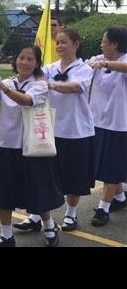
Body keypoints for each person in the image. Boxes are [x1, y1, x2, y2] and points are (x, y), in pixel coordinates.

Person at [0, 44, 64, 247]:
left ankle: (49, 225)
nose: (24, 62)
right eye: (21, 58)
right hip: (8, 146)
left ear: (37, 64)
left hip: (33, 148)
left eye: (29, 59)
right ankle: (6, 235)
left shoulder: (40, 84)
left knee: (38, 191)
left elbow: (26, 100)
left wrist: (4, 88)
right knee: (4, 193)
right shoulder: (7, 81)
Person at [41, 28, 95, 231]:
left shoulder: (84, 69)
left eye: (63, 42)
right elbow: (37, 81)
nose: (59, 46)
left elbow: (75, 87)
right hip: (51, 129)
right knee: (46, 174)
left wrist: (50, 85)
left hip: (76, 131)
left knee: (75, 176)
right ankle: (39, 215)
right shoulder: (50, 68)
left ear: (75, 44)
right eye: (57, 42)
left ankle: (71, 214)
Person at [87, 26, 127, 226]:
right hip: (96, 122)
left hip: (118, 125)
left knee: (112, 167)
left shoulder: (124, 60)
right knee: (105, 165)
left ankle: (103, 209)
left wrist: (104, 63)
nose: (101, 44)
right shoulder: (96, 59)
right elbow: (83, 67)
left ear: (115, 44)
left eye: (104, 41)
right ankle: (119, 198)